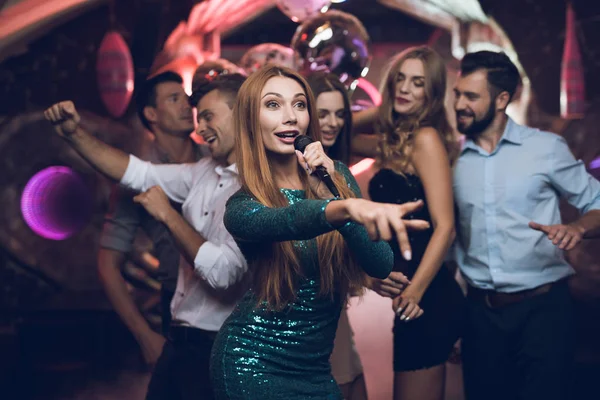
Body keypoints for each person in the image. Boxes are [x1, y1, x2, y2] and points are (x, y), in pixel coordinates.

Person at [209, 64, 430, 400]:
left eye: (299, 105)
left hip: (317, 369)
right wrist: (343, 208)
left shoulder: (337, 174)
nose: (291, 117)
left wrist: (332, 193)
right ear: (251, 121)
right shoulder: (243, 204)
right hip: (252, 364)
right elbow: (289, 220)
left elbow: (381, 263)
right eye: (273, 105)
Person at [44, 73, 248, 400]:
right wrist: (74, 135)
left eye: (208, 116)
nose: (199, 126)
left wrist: (167, 214)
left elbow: (222, 273)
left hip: (222, 342)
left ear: (242, 114)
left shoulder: (258, 185)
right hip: (182, 333)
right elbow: (138, 173)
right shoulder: (204, 170)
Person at [452, 50, 600, 400]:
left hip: (544, 313)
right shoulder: (451, 158)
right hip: (479, 315)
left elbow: (597, 202)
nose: (459, 103)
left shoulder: (545, 149)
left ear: (502, 99)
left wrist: (578, 228)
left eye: (471, 96)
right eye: (457, 94)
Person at [367, 46, 465, 400]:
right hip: (413, 296)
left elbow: (445, 227)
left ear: (432, 94)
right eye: (400, 79)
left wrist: (415, 292)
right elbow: (343, 129)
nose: (404, 89)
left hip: (428, 295)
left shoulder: (425, 139)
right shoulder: (395, 143)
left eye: (417, 83)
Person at [97, 71, 206, 368]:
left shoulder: (218, 159)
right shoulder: (138, 179)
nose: (187, 105)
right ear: (151, 114)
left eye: (186, 98)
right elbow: (108, 264)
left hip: (236, 294)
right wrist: (144, 334)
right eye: (174, 99)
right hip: (181, 301)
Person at [307, 71, 367, 400]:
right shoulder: (291, 171)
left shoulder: (338, 170)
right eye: (323, 113)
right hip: (303, 309)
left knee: (353, 385)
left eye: (340, 114)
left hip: (332, 301)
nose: (332, 123)